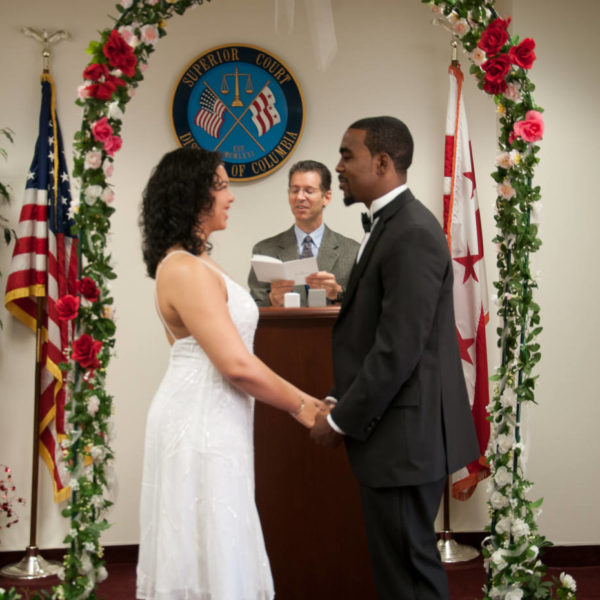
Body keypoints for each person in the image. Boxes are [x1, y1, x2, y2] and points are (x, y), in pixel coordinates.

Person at [136, 147, 323, 600]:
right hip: (198, 420)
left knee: (223, 533)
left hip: (215, 415)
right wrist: (304, 406)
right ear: (193, 196)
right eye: (221, 186)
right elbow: (236, 365)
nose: (231, 196)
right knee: (209, 537)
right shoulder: (184, 268)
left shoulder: (196, 263)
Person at [310, 117, 480, 600]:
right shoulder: (390, 224)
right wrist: (336, 396)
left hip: (405, 440)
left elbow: (399, 348)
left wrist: (341, 420)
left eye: (347, 155)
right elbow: (372, 333)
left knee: (409, 578)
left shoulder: (412, 232)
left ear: (382, 162)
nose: (338, 167)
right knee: (397, 574)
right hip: (396, 435)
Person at [247, 160, 359, 306]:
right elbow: (252, 309)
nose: (300, 197)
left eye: (309, 191)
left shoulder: (352, 251)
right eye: (295, 190)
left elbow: (365, 305)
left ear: (327, 197)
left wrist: (338, 293)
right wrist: (272, 300)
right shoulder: (264, 250)